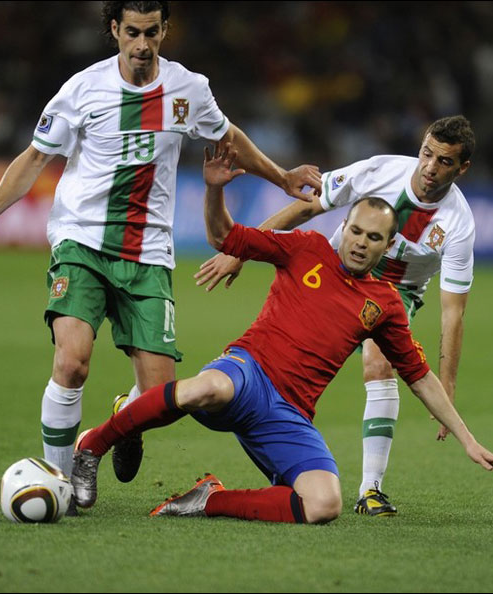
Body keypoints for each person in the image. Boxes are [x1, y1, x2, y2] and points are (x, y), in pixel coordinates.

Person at [0, 0, 323, 506]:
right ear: (114, 29)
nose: (141, 44)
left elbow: (229, 137)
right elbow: (36, 156)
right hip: (83, 241)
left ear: (164, 31)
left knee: (161, 396)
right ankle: (61, 481)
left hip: (148, 251)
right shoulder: (83, 88)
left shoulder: (188, 89)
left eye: (151, 32)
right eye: (132, 32)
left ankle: (117, 420)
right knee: (72, 362)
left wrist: (282, 177)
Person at [70, 144, 493, 525]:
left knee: (324, 504)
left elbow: (419, 376)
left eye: (373, 237)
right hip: (247, 373)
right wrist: (214, 190)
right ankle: (93, 444)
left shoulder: (385, 305)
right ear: (344, 225)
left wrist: (468, 440)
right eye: (355, 231)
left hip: (290, 413)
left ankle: (209, 500)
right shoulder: (306, 248)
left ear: (387, 246)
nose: (359, 242)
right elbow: (223, 235)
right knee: (209, 386)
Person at [194, 115, 478, 516]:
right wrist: (240, 251)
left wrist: (447, 388)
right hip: (335, 272)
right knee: (273, 357)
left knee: (379, 363)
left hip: (397, 291)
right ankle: (143, 399)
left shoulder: (459, 224)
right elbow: (310, 205)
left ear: (462, 168)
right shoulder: (380, 171)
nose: (430, 167)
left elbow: (454, 311)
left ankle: (371, 489)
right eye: (427, 154)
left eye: (444, 161)